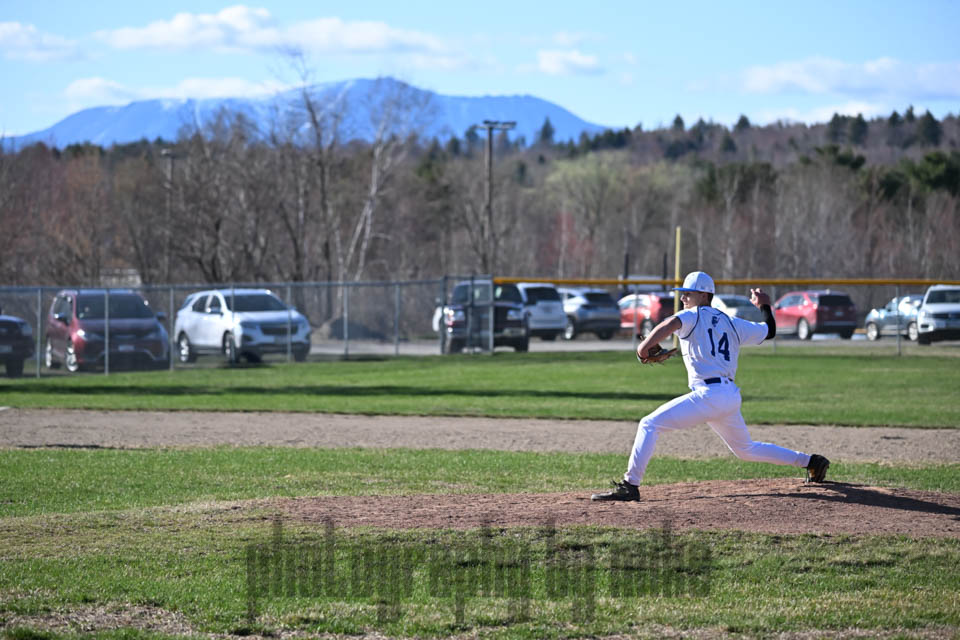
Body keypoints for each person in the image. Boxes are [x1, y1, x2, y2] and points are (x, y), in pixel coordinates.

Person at [592, 270, 830, 502]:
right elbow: (769, 331)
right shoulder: (732, 322)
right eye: (683, 293)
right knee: (745, 449)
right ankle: (811, 462)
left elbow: (671, 323)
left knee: (649, 424)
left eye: (689, 293)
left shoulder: (692, 315)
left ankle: (630, 486)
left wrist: (642, 349)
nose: (683, 298)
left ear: (704, 296)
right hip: (729, 395)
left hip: (708, 395)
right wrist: (764, 305)